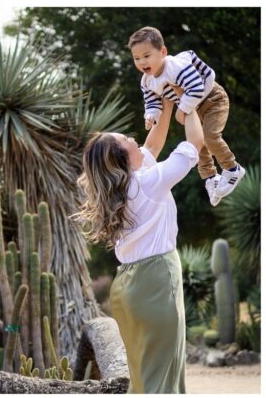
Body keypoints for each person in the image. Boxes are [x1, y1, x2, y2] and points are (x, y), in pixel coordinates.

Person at [74, 106, 205, 392]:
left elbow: (153, 144)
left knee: (145, 379)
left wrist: (166, 104)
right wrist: (190, 105)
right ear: (123, 157)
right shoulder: (148, 182)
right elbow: (194, 144)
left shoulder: (124, 188)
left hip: (126, 289)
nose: (134, 140)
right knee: (162, 379)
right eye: (127, 139)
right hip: (156, 280)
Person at [128, 26, 244, 205]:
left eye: (146, 56)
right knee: (197, 144)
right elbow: (152, 102)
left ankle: (232, 168)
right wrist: (151, 116)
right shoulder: (147, 81)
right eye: (136, 58)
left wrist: (183, 108)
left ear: (163, 52)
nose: (142, 62)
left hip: (211, 99)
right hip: (192, 105)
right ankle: (210, 178)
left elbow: (196, 87)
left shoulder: (174, 67)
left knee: (209, 136)